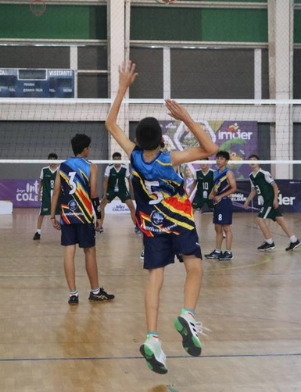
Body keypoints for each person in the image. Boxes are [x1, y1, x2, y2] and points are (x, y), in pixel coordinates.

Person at [105, 61, 218, 374]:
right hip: (179, 222)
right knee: (194, 267)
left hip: (152, 226)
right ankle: (187, 315)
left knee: (155, 278)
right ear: (161, 140)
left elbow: (110, 124)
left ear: (139, 140)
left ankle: (152, 338)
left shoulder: (133, 156)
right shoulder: (171, 159)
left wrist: (122, 87)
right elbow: (210, 148)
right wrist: (186, 118)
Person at [50, 134, 114, 305]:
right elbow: (93, 193)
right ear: (85, 149)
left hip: (67, 215)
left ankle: (73, 294)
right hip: (84, 215)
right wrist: (98, 215)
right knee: (90, 251)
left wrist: (52, 215)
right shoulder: (91, 166)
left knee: (69, 251)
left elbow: (56, 192)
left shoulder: (63, 166)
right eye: (89, 147)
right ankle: (95, 291)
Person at [243, 155, 301, 252]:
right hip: (264, 201)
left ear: (259, 162)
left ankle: (269, 242)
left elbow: (275, 186)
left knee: (259, 219)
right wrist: (247, 200)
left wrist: (275, 199)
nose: (252, 162)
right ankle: (294, 240)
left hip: (269, 200)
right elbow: (254, 190)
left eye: (254, 160)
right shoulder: (251, 176)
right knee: (280, 220)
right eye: (250, 160)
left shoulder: (264, 173)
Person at [204, 151, 237, 261]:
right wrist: (212, 194)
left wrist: (220, 196)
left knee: (226, 228)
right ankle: (217, 251)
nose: (218, 160)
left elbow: (234, 188)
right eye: (217, 158)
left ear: (226, 161)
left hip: (225, 202)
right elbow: (216, 187)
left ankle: (228, 252)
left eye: (221, 158)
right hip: (217, 203)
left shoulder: (228, 173)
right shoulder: (215, 173)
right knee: (217, 227)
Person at [99, 152, 138, 234]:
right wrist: (105, 193)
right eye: (115, 159)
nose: (117, 160)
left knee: (132, 207)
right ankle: (100, 226)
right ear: (113, 160)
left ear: (120, 159)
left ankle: (137, 227)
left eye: (118, 159)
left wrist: (134, 191)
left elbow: (129, 180)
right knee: (101, 206)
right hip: (111, 190)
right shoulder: (109, 167)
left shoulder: (124, 167)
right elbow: (105, 181)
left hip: (122, 189)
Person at [34, 153, 59, 241]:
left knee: (63, 213)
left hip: (57, 196)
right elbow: (41, 181)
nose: (52, 161)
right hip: (46, 196)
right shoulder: (44, 170)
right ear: (48, 160)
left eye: (54, 159)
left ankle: (66, 232)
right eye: (50, 159)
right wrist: (38, 193)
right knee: (41, 214)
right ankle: (38, 232)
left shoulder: (59, 170)